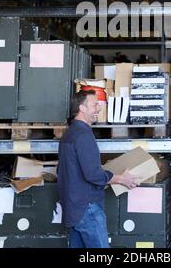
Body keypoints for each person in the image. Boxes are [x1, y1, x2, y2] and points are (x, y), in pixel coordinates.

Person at [57, 90, 139, 248]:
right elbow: (92, 174)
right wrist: (121, 179)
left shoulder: (70, 134)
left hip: (74, 208)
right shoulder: (83, 135)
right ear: (82, 108)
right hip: (87, 208)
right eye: (95, 104)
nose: (99, 109)